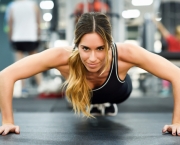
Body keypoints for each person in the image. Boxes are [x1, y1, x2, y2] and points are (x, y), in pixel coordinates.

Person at [0, 12, 180, 136]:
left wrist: (177, 122)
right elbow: (6, 75)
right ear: (76, 44)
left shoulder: (127, 53)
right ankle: (94, 106)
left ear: (109, 45)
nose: (92, 58)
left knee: (98, 95)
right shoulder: (61, 56)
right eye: (85, 48)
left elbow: (176, 75)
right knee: (75, 94)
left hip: (117, 93)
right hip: (81, 95)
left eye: (100, 49)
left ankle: (102, 105)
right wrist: (7, 121)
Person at [7, 0, 42, 95]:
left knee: (19, 64)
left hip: (18, 38)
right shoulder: (33, 5)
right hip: (31, 37)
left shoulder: (12, 6)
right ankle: (41, 86)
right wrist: (38, 35)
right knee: (36, 64)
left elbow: (10, 24)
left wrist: (10, 38)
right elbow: (38, 22)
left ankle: (23, 89)